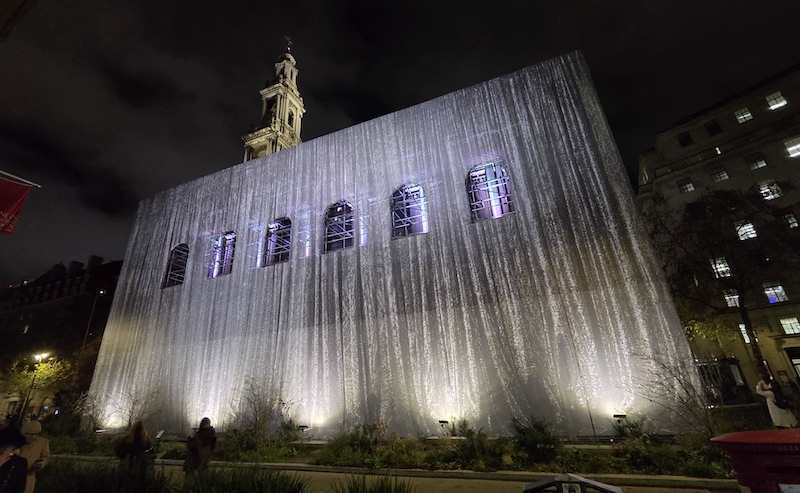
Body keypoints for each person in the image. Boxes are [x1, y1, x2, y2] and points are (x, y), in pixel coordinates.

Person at [17, 421, 48, 493]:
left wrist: (41, 463)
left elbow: (45, 457)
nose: (33, 437)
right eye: (31, 434)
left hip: (29, 476)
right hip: (15, 476)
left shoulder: (42, 442)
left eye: (36, 434)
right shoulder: (18, 441)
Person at [0, 426, 27, 493]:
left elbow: (19, 488)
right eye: (7, 448)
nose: (11, 453)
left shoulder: (19, 463)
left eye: (14, 448)